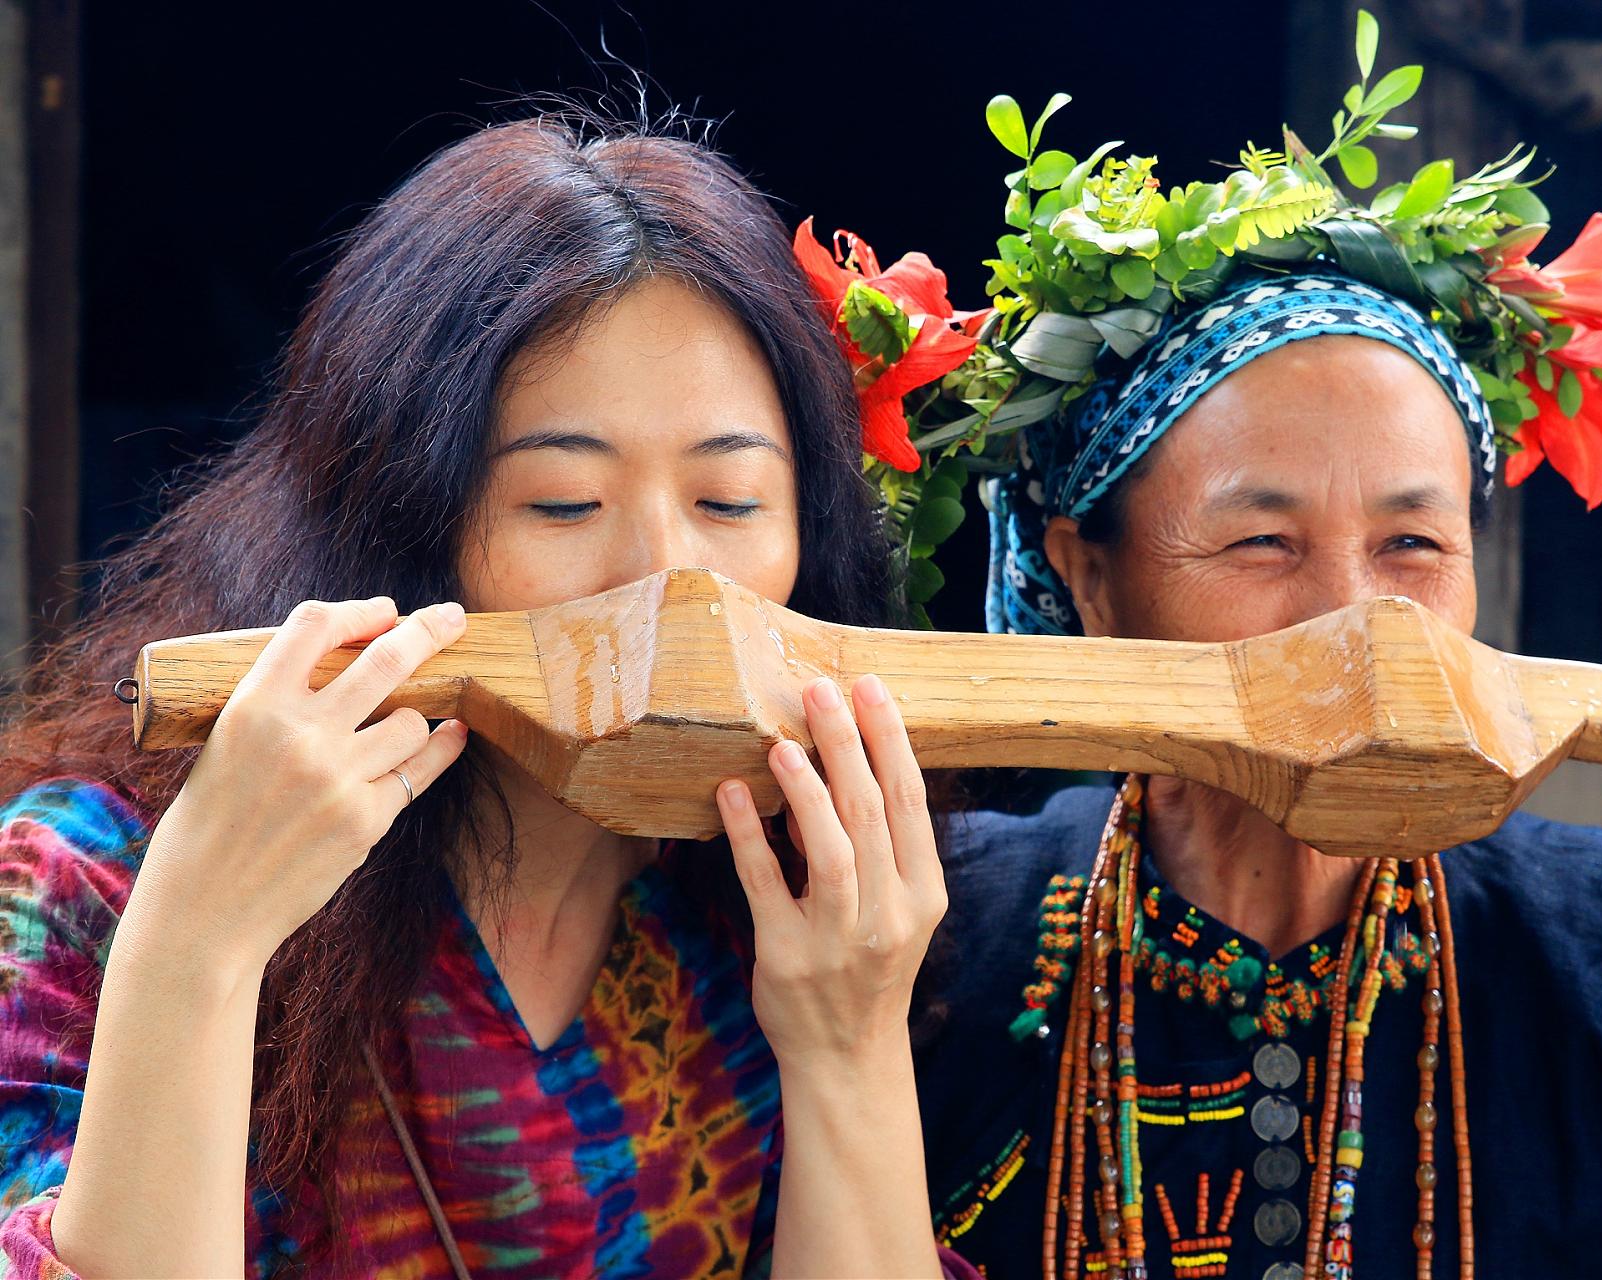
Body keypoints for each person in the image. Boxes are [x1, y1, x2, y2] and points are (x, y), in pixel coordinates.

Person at [899, 64, 1602, 1280]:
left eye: (1413, 546)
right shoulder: (926, 938)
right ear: (1092, 580)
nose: (1358, 622)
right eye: (1262, 540)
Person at [0, 112, 962, 1279]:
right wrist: (197, 943)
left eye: (731, 502)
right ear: (395, 525)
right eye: (562, 503)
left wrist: (848, 1043)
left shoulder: (781, 918)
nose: (671, 579)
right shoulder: (89, 880)